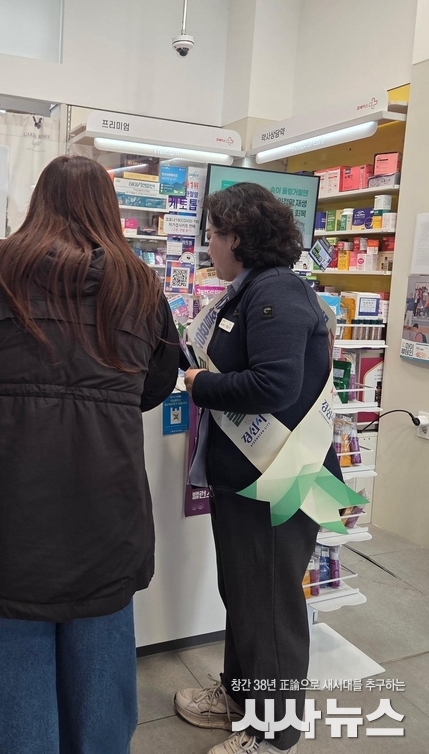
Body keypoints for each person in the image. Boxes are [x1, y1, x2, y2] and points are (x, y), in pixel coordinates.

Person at [0, 155, 179, 754]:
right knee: (100, 648)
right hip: (107, 504)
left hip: (7, 506)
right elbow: (155, 388)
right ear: (110, 210)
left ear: (39, 202)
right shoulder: (141, 285)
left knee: (9, 654)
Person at [174, 182, 343, 754]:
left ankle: (273, 734)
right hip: (248, 477)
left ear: (237, 237)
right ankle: (239, 698)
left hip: (282, 479)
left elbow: (275, 384)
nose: (208, 247)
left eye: (213, 236)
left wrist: (201, 384)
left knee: (269, 606)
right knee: (245, 595)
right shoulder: (244, 293)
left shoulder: (278, 291)